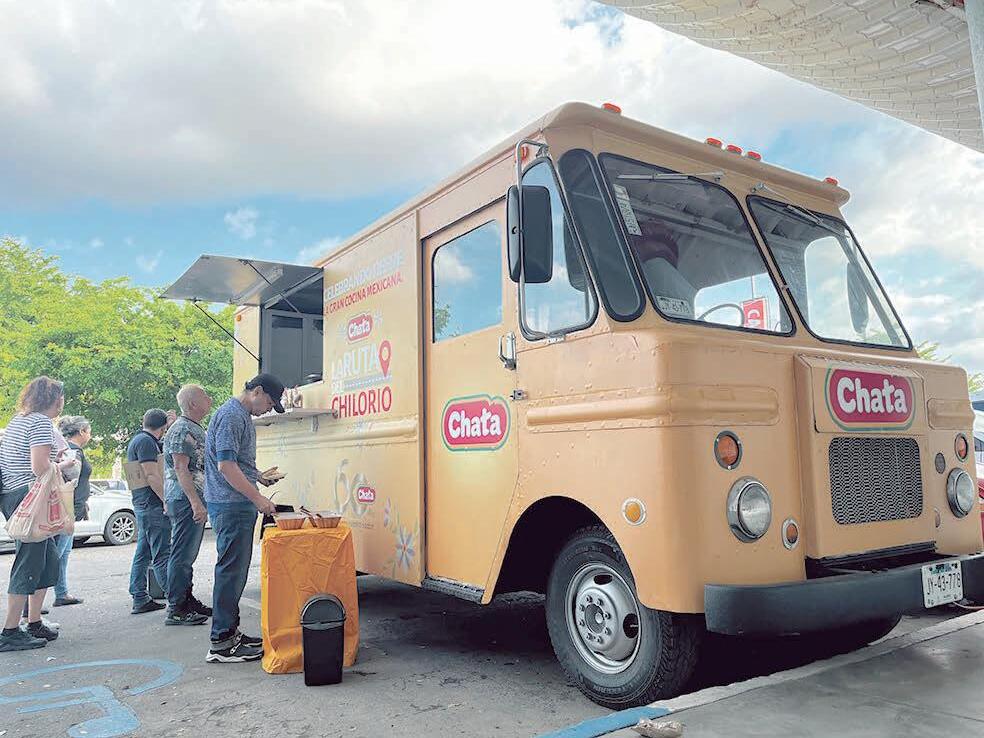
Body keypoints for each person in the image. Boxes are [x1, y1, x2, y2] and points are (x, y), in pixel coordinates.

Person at [204, 374, 283, 663]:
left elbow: (235, 462)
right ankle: (222, 642)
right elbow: (226, 466)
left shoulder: (239, 415)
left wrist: (257, 476)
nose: (268, 409)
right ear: (257, 391)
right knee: (231, 573)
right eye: (269, 403)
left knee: (234, 572)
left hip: (233, 503)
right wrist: (258, 498)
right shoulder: (232, 416)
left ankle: (230, 633)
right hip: (231, 505)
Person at [0, 377, 76, 651]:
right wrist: (64, 464)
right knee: (29, 561)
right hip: (30, 497)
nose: (62, 402)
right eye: (61, 397)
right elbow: (39, 467)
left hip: (15, 494)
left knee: (47, 559)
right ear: (54, 399)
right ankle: (10, 631)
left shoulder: (18, 421)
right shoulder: (41, 423)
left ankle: (34, 622)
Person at [163, 385, 214, 626]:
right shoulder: (182, 429)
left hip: (191, 498)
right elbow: (180, 468)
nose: (209, 398)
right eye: (204, 396)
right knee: (182, 554)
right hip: (185, 499)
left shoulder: (193, 427)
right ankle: (176, 608)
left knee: (187, 554)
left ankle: (186, 599)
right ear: (193, 404)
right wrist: (195, 503)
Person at [127, 409, 173, 614]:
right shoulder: (146, 442)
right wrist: (166, 500)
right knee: (162, 554)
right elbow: (152, 475)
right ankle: (177, 601)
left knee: (144, 552)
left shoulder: (139, 440)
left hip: (143, 503)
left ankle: (139, 596)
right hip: (151, 505)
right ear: (162, 428)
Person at [52, 415, 93, 607]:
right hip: (66, 507)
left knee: (64, 551)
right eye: (89, 431)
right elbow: (70, 480)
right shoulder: (72, 451)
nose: (90, 435)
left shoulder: (70, 449)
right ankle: (31, 602)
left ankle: (61, 592)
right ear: (82, 431)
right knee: (56, 553)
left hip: (71, 506)